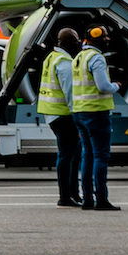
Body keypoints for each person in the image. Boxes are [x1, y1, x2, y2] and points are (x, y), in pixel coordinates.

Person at [70, 27, 121, 211]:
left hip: (80, 112)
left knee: (87, 155)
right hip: (96, 113)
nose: (107, 40)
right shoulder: (97, 58)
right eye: (105, 37)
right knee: (100, 156)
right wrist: (116, 85)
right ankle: (101, 199)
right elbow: (103, 86)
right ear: (98, 40)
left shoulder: (78, 58)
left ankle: (87, 199)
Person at [37, 27, 81, 208]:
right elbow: (70, 92)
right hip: (63, 114)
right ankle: (66, 196)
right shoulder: (65, 63)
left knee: (72, 154)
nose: (78, 44)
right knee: (68, 155)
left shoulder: (51, 57)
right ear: (70, 43)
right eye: (76, 41)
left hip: (52, 113)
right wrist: (78, 115)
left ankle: (72, 193)